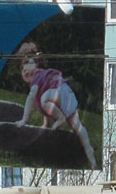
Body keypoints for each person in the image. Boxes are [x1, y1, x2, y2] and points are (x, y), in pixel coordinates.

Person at [12, 41, 97, 170]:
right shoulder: (41, 80)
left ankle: (61, 118)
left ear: (37, 62)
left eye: (27, 63)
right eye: (21, 67)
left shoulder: (37, 75)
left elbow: (32, 98)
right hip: (66, 96)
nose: (24, 70)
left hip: (60, 92)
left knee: (44, 99)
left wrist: (24, 119)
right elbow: (46, 109)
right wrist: (45, 124)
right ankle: (92, 160)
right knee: (79, 128)